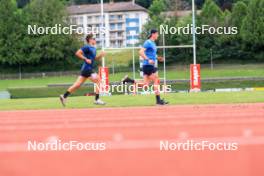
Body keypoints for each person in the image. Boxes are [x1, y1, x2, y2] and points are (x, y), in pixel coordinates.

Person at [123, 29, 168, 105]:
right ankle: (158, 100)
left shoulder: (153, 43)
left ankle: (129, 80)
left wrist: (158, 58)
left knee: (145, 85)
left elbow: (152, 55)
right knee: (156, 79)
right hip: (148, 65)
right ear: (153, 34)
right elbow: (140, 52)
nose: (158, 35)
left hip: (148, 65)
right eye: (157, 34)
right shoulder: (148, 42)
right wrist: (148, 59)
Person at [60, 34, 106, 107]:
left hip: (86, 69)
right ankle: (97, 99)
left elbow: (94, 59)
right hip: (87, 69)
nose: (95, 40)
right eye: (93, 38)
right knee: (99, 80)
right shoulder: (87, 47)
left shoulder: (93, 48)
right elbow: (77, 53)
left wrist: (100, 55)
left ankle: (64, 96)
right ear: (90, 40)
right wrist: (85, 59)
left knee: (77, 85)